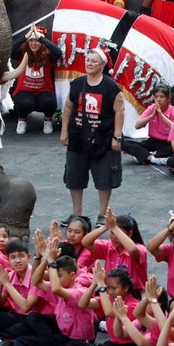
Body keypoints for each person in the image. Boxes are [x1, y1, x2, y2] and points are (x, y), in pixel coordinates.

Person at [12, 237, 97, 346]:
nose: (54, 279)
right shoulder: (59, 287)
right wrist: (45, 258)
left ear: (71, 275)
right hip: (63, 338)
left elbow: (56, 288)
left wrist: (51, 260)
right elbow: (35, 281)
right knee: (21, 341)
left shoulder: (77, 291)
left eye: (58, 276)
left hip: (80, 344)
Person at [59, 48, 124, 227]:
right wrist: (64, 131)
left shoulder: (110, 87)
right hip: (77, 138)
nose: (89, 63)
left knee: (104, 178)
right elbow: (68, 108)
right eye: (87, 60)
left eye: (93, 61)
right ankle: (76, 214)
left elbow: (119, 111)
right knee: (74, 177)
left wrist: (117, 137)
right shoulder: (77, 84)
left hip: (102, 139)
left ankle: (103, 214)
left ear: (102, 65)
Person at [67, 263, 140, 346]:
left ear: (126, 288)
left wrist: (102, 285)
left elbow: (109, 312)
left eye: (114, 288)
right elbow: (82, 304)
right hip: (111, 344)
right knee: (73, 345)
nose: (110, 292)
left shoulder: (133, 305)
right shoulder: (109, 299)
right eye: (108, 287)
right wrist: (95, 282)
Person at [81, 208, 148, 293]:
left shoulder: (140, 249)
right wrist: (105, 226)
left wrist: (114, 227)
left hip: (133, 293)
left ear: (130, 233)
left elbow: (132, 250)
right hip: (111, 290)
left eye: (118, 233)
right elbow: (85, 242)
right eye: (112, 232)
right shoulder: (109, 246)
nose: (114, 237)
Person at [11, 25, 62, 135]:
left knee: (49, 102)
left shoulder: (48, 55)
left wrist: (41, 38)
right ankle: (22, 120)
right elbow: (11, 49)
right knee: (24, 103)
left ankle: (47, 120)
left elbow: (58, 52)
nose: (34, 43)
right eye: (31, 40)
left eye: (37, 41)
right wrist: (25, 36)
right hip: (24, 90)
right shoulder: (22, 53)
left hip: (44, 91)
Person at [123, 84, 174, 166]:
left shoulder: (173, 110)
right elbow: (137, 126)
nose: (158, 99)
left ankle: (144, 156)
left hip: (168, 142)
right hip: (153, 141)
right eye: (156, 97)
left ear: (168, 98)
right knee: (124, 143)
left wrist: (161, 115)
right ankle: (152, 157)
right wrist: (151, 116)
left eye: (162, 97)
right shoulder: (151, 108)